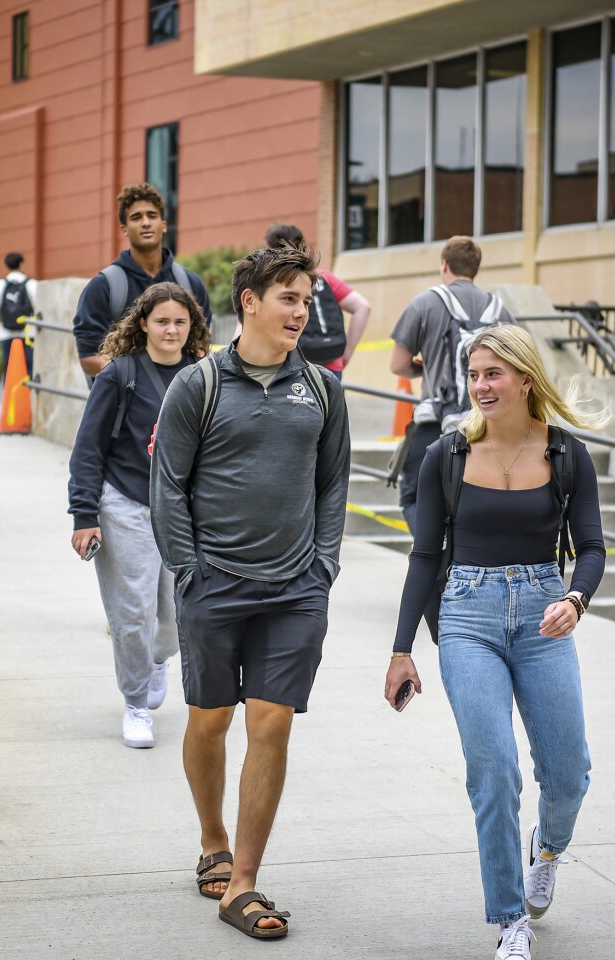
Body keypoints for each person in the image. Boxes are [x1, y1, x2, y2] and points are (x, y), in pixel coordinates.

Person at [384, 325, 606, 960]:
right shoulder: (445, 456)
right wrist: (403, 649)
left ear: (525, 378)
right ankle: (511, 918)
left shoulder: (566, 455)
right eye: (474, 374)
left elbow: (590, 547)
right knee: (494, 770)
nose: (480, 386)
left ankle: (548, 849)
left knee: (568, 775)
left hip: (543, 615)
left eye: (492, 374)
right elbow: (425, 556)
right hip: (467, 618)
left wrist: (575, 599)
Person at [149, 243, 350, 940]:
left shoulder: (322, 389)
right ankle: (212, 838)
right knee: (210, 721)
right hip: (214, 585)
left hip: (296, 589)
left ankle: (244, 884)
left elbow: (332, 483)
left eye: (309, 298)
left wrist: (323, 566)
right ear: (251, 304)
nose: (303, 310)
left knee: (271, 722)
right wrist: (188, 569)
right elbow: (167, 485)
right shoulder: (198, 386)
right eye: (291, 298)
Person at [68, 282, 210, 749]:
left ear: (192, 327)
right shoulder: (120, 375)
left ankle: (155, 661)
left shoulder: (205, 375)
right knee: (132, 613)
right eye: (162, 321)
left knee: (175, 616)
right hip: (125, 504)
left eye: (180, 321)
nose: (171, 329)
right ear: (143, 323)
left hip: (183, 512)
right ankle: (134, 705)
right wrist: (84, 514)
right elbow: (88, 448)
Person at [390, 236, 515, 533]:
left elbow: (398, 365)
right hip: (488, 424)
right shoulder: (501, 311)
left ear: (444, 265)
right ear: (475, 269)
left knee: (415, 495)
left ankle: (434, 557)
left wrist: (423, 368)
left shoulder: (424, 303)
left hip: (436, 420)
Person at [72, 182, 212, 380]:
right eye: (136, 217)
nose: (145, 222)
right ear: (124, 229)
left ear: (163, 225)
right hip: (123, 405)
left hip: (180, 401)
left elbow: (200, 348)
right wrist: (139, 378)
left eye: (152, 216)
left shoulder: (191, 284)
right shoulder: (103, 287)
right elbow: (88, 358)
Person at [263, 223, 371, 379]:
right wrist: (347, 353)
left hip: (291, 363)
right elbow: (363, 307)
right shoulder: (322, 276)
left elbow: (244, 323)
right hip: (331, 360)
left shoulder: (273, 280)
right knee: (328, 403)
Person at [0, 251, 38, 374]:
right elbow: (41, 308)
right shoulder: (32, 284)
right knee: (29, 370)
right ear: (21, 264)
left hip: (6, 334)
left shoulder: (0, 285)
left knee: (10, 371)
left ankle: (8, 393)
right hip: (28, 334)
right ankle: (28, 393)